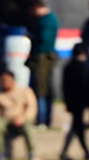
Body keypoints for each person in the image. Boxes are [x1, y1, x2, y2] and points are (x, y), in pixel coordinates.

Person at [27, 0, 59, 128]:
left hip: (42, 57)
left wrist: (32, 37)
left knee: (41, 89)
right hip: (41, 56)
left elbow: (44, 38)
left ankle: (42, 119)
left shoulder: (47, 20)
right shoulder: (46, 20)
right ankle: (43, 119)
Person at [62, 43, 89, 160]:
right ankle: (86, 152)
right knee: (78, 127)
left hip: (72, 101)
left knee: (76, 126)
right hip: (81, 102)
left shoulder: (68, 67)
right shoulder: (84, 68)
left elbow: (64, 86)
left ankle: (68, 151)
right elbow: (87, 86)